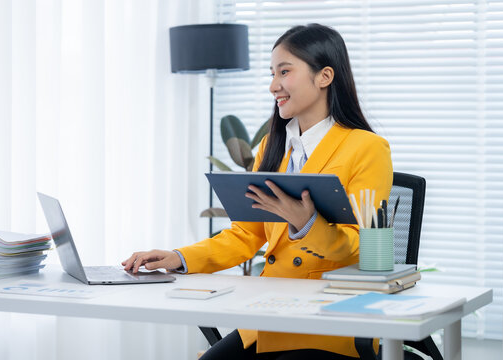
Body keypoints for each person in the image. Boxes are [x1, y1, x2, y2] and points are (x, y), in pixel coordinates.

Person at [122, 24, 392, 359]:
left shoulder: (367, 148)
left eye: (285, 72)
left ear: (324, 76)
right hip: (271, 315)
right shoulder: (272, 147)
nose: (273, 85)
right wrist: (179, 257)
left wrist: (308, 225)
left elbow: (363, 250)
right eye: (272, 73)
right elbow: (246, 235)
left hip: (330, 320)